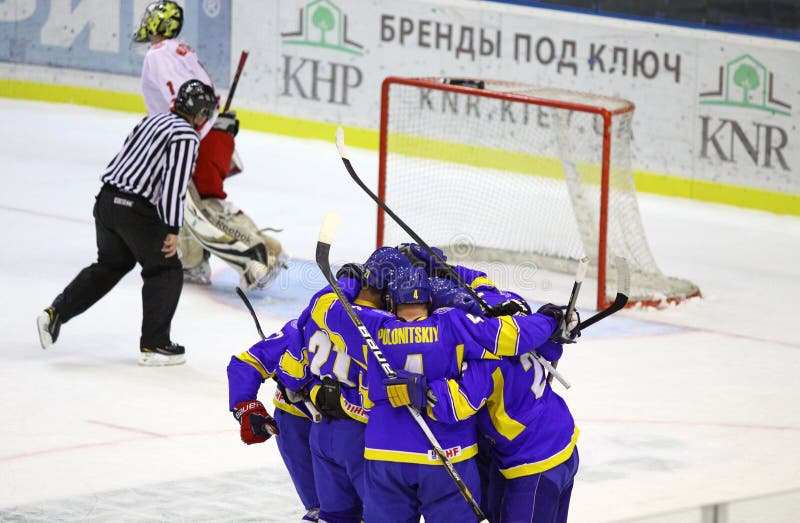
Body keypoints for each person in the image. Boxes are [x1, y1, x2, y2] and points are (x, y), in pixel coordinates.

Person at [36, 79, 217, 366]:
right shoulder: (186, 136)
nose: (205, 118)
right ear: (198, 111)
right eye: (205, 112)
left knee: (111, 265)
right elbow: (174, 183)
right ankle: (155, 345)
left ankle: (56, 312)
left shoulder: (152, 121)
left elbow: (126, 157)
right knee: (166, 270)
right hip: (135, 209)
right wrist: (171, 229)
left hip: (106, 201)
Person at [134, 0, 287, 291]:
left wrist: (182, 140)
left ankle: (258, 256)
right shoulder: (181, 50)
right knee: (185, 204)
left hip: (198, 136)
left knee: (202, 210)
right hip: (215, 132)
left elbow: (177, 96)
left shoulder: (158, 54)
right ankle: (196, 262)